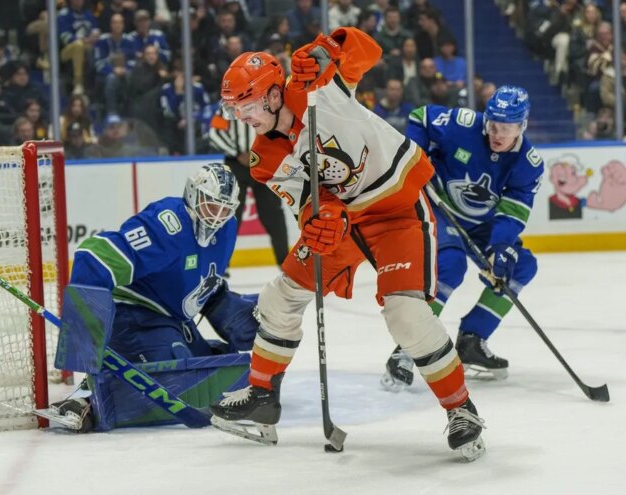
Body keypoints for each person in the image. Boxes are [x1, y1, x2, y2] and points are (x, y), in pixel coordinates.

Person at [208, 27, 486, 461]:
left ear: (273, 95)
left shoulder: (318, 88)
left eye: (246, 106)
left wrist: (327, 49)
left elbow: (367, 51)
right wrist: (319, 220)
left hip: (395, 211)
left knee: (407, 316)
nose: (240, 117)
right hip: (346, 225)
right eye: (234, 109)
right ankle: (262, 395)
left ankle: (461, 410)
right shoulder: (264, 158)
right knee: (279, 297)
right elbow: (305, 201)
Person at [46, 163, 260, 431]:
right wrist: (86, 331)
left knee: (224, 368)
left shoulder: (227, 228)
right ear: (193, 195)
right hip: (134, 318)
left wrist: (238, 314)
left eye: (225, 209)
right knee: (175, 376)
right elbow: (95, 256)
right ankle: (84, 399)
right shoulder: (168, 224)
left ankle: (106, 382)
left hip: (173, 322)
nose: (217, 216)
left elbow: (205, 284)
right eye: (211, 205)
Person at [381, 86, 543, 391]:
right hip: (438, 207)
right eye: (493, 125)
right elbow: (421, 117)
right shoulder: (464, 123)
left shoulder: (528, 163)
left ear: (522, 126)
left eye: (506, 128)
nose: (497, 134)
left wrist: (500, 247)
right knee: (451, 265)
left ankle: (472, 339)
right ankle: (407, 349)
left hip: (482, 225)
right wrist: (416, 161)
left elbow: (512, 211)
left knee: (520, 266)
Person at [209, 105, 289, 266]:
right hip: (236, 164)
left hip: (265, 163)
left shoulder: (269, 103)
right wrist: (237, 153)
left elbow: (282, 131)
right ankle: (220, 265)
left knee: (273, 214)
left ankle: (286, 263)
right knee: (229, 214)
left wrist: (266, 152)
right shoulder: (228, 106)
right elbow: (214, 133)